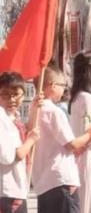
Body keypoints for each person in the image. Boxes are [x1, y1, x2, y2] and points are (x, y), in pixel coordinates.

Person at [30, 66, 91, 213]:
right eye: (63, 85)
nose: (64, 90)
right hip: (60, 179)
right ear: (53, 85)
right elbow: (71, 144)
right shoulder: (53, 111)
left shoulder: (35, 110)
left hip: (43, 182)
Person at [0, 72, 40, 213]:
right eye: (5, 95)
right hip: (8, 191)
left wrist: (34, 108)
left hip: (15, 189)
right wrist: (31, 140)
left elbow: (26, 131)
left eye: (16, 94)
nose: (11, 99)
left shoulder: (12, 117)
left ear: (23, 95)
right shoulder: (1, 117)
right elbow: (12, 155)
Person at [69, 54, 91, 213]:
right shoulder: (87, 97)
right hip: (88, 152)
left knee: (83, 198)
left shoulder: (76, 96)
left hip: (79, 153)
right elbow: (88, 131)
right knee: (89, 199)